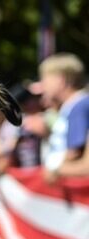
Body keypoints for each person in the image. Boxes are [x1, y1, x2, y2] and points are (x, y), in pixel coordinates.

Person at [37, 53, 89, 183]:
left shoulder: (79, 104)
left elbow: (74, 150)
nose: (42, 85)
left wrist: (55, 171)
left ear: (61, 80)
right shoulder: (72, 105)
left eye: (45, 79)